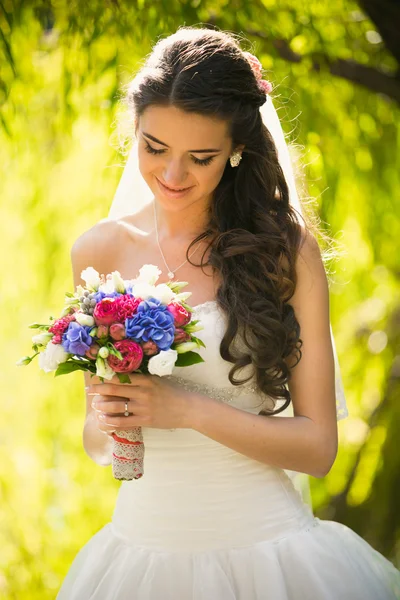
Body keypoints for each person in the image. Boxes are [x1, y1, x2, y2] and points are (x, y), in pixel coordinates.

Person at [56, 26, 400, 600]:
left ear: (237, 149)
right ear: (134, 131)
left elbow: (317, 449)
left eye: (201, 157)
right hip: (142, 556)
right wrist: (116, 419)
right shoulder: (98, 252)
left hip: (269, 553)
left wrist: (185, 409)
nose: (171, 175)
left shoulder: (284, 254)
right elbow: (95, 439)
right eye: (154, 147)